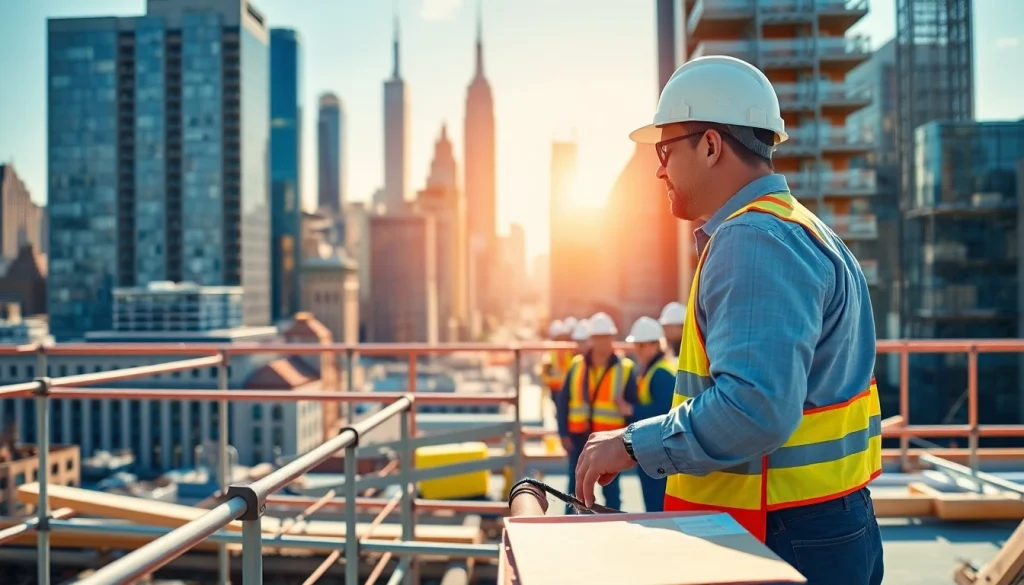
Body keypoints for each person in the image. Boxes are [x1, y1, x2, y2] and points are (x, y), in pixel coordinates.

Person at [572, 55, 883, 585]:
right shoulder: (798, 229)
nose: (659, 168)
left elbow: (755, 408)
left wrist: (630, 444)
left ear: (711, 145)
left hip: (784, 535)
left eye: (666, 149)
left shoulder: (753, 241)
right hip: (823, 525)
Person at [555, 312, 638, 514]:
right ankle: (573, 529)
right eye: (598, 337)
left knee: (611, 493)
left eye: (606, 337)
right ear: (591, 339)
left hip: (611, 441)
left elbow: (633, 408)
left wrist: (628, 441)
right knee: (575, 489)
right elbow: (563, 402)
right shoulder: (577, 365)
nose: (602, 342)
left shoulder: (625, 368)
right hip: (579, 438)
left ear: (612, 338)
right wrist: (563, 434)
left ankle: (613, 530)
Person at [625, 316, 675, 512]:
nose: (636, 351)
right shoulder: (651, 369)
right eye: (636, 346)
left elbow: (665, 412)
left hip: (658, 450)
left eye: (641, 346)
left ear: (655, 345)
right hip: (652, 447)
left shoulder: (661, 373)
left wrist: (631, 410)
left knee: (657, 506)